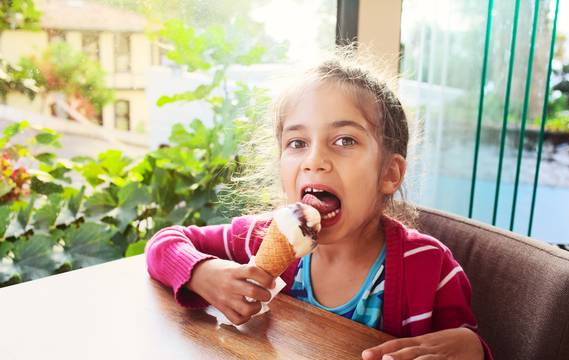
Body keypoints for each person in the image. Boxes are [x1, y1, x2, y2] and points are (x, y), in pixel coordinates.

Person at [146, 55, 491, 360]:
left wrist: (473, 347)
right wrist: (202, 274)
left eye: (344, 140)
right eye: (297, 143)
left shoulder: (431, 269)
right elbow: (163, 243)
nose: (315, 160)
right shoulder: (260, 237)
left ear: (389, 173)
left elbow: (459, 346)